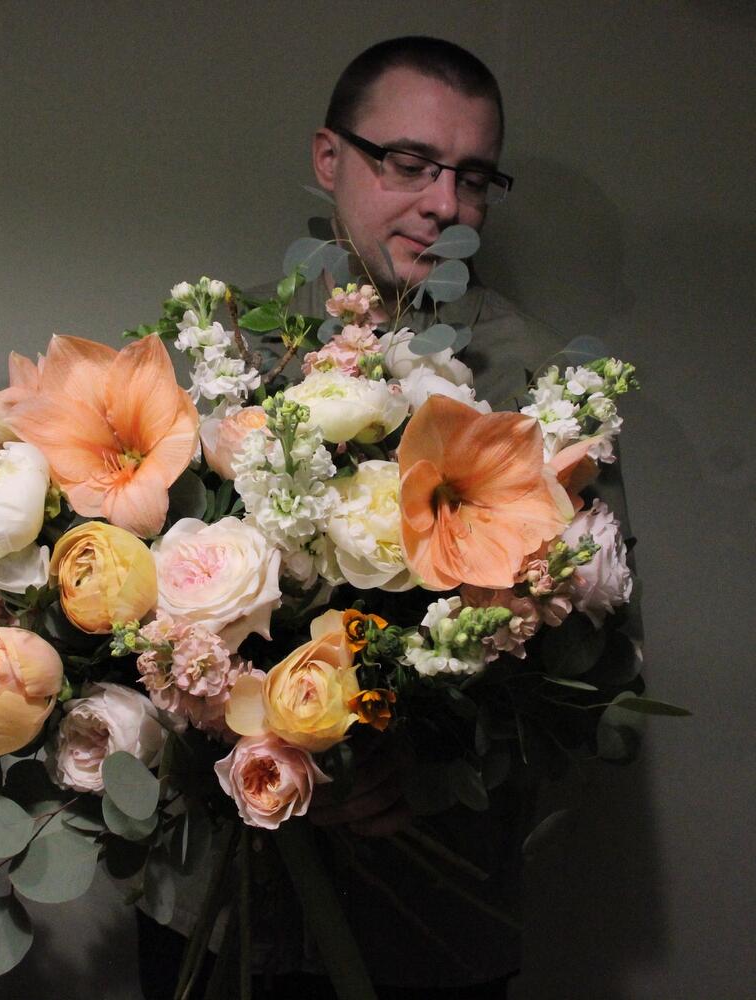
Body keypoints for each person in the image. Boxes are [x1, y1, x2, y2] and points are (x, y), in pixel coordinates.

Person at [137, 35, 605, 1000]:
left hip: (427, 923)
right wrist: (241, 724)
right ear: (329, 157)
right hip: (217, 905)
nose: (444, 203)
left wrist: (427, 766)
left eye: (473, 177)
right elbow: (129, 604)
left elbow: (594, 659)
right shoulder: (218, 352)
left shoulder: (544, 388)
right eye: (409, 163)